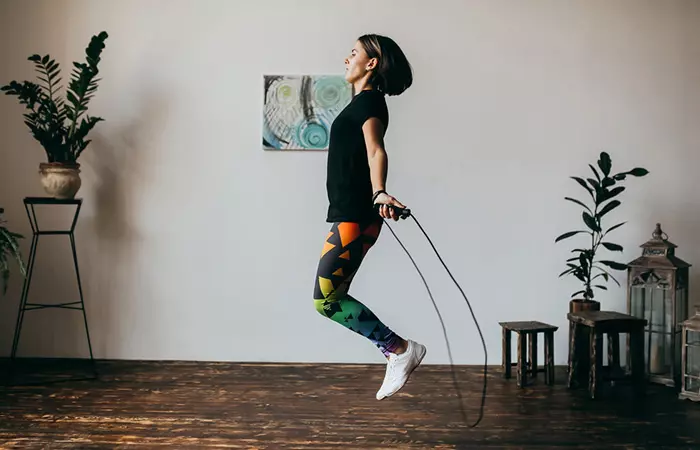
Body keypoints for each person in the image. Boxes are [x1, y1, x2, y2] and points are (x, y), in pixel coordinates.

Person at [313, 34, 426, 400]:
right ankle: (396, 349)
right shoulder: (362, 102)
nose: (347, 59)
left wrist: (379, 191)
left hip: (357, 213)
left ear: (371, 63)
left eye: (353, 53)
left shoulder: (371, 104)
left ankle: (399, 349)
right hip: (352, 213)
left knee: (326, 299)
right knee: (329, 297)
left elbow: (376, 150)